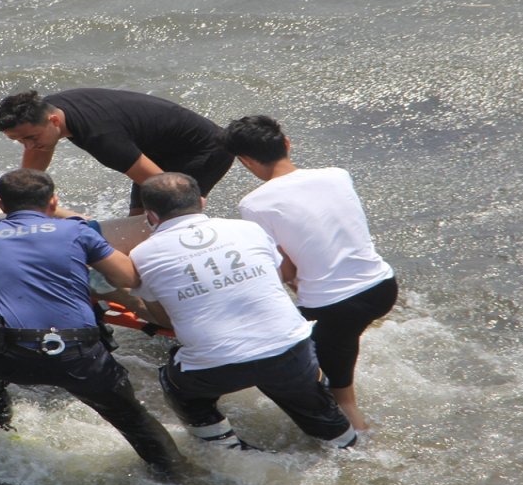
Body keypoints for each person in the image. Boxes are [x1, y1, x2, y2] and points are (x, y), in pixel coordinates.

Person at [0, 168, 185, 479]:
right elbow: (128, 277)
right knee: (134, 419)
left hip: (6, 356)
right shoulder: (77, 233)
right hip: (78, 357)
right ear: (53, 202)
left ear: (3, 205)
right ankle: (176, 475)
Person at [129, 173, 357, 451]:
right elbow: (271, 280)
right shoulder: (249, 229)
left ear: (150, 216)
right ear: (202, 201)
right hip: (289, 350)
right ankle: (345, 443)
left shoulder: (141, 255)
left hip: (213, 367)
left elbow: (162, 317)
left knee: (175, 384)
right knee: (313, 405)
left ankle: (226, 450)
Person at [224, 115, 398, 432]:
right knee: (339, 342)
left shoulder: (253, 204)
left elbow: (286, 268)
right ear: (287, 143)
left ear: (245, 161)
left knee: (338, 394)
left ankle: (362, 452)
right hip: (383, 286)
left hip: (333, 305)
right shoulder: (337, 175)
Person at [0, 88, 233, 215]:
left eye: (31, 138)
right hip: (158, 149)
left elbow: (166, 188)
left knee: (171, 210)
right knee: (139, 217)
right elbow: (34, 162)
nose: (29, 146)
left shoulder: (101, 138)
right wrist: (19, 201)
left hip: (203, 149)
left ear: (53, 121)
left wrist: (188, 202)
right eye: (19, 141)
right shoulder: (47, 110)